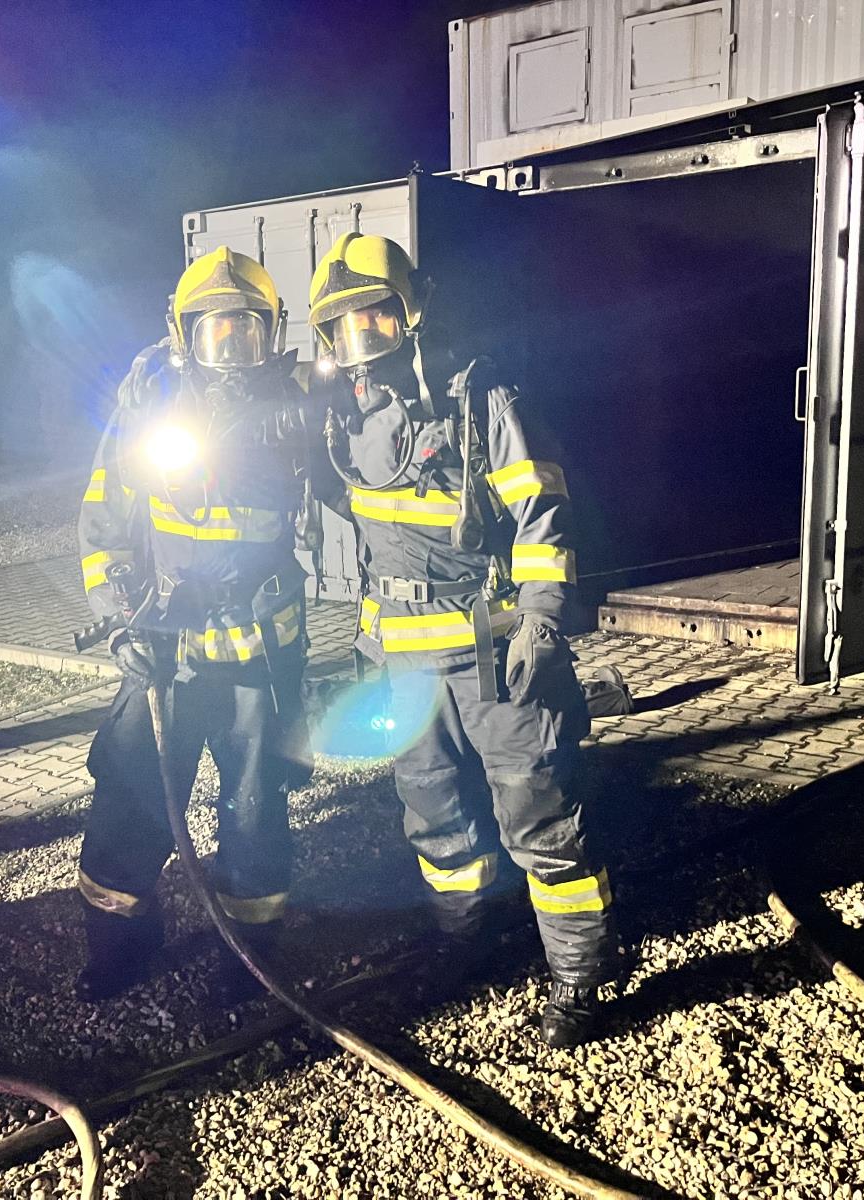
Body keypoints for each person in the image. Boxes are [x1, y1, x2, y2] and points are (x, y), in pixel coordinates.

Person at [307, 233, 618, 1047]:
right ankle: (462, 940)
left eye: (376, 314)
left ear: (411, 310)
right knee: (434, 815)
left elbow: (542, 513)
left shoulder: (482, 399)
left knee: (540, 815)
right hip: (403, 664)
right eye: (343, 324)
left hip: (496, 660)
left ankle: (578, 977)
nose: (361, 334)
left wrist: (542, 620)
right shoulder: (340, 419)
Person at [73, 247, 318, 1002]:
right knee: (131, 798)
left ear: (271, 332)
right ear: (183, 335)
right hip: (165, 652)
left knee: (255, 810)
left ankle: (249, 957)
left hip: (258, 657)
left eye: (245, 331)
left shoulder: (294, 413)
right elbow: (103, 524)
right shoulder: (146, 409)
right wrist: (120, 624)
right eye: (215, 332)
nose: (231, 349)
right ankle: (120, 943)